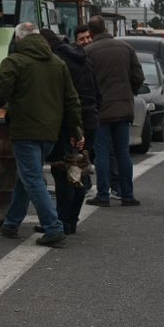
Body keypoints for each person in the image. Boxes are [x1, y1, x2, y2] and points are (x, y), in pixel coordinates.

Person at [0, 22, 81, 248]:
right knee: (26, 176)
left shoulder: (14, 62)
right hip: (50, 133)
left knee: (33, 178)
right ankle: (11, 223)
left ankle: (54, 228)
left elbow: (0, 92)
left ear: (18, 39)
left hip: (25, 130)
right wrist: (76, 129)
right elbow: (71, 99)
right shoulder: (58, 63)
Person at [81, 15, 145, 207]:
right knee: (123, 152)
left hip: (100, 110)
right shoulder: (126, 48)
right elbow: (138, 77)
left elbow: (84, 81)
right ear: (108, 29)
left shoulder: (88, 51)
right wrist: (129, 92)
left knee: (101, 152)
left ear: (91, 33)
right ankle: (127, 193)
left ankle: (103, 194)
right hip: (123, 108)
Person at [45, 26, 100, 236]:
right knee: (78, 172)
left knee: (64, 174)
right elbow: (97, 93)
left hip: (72, 124)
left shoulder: (59, 63)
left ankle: (63, 221)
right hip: (91, 120)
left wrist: (73, 129)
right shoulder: (84, 59)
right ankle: (71, 220)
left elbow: (65, 99)